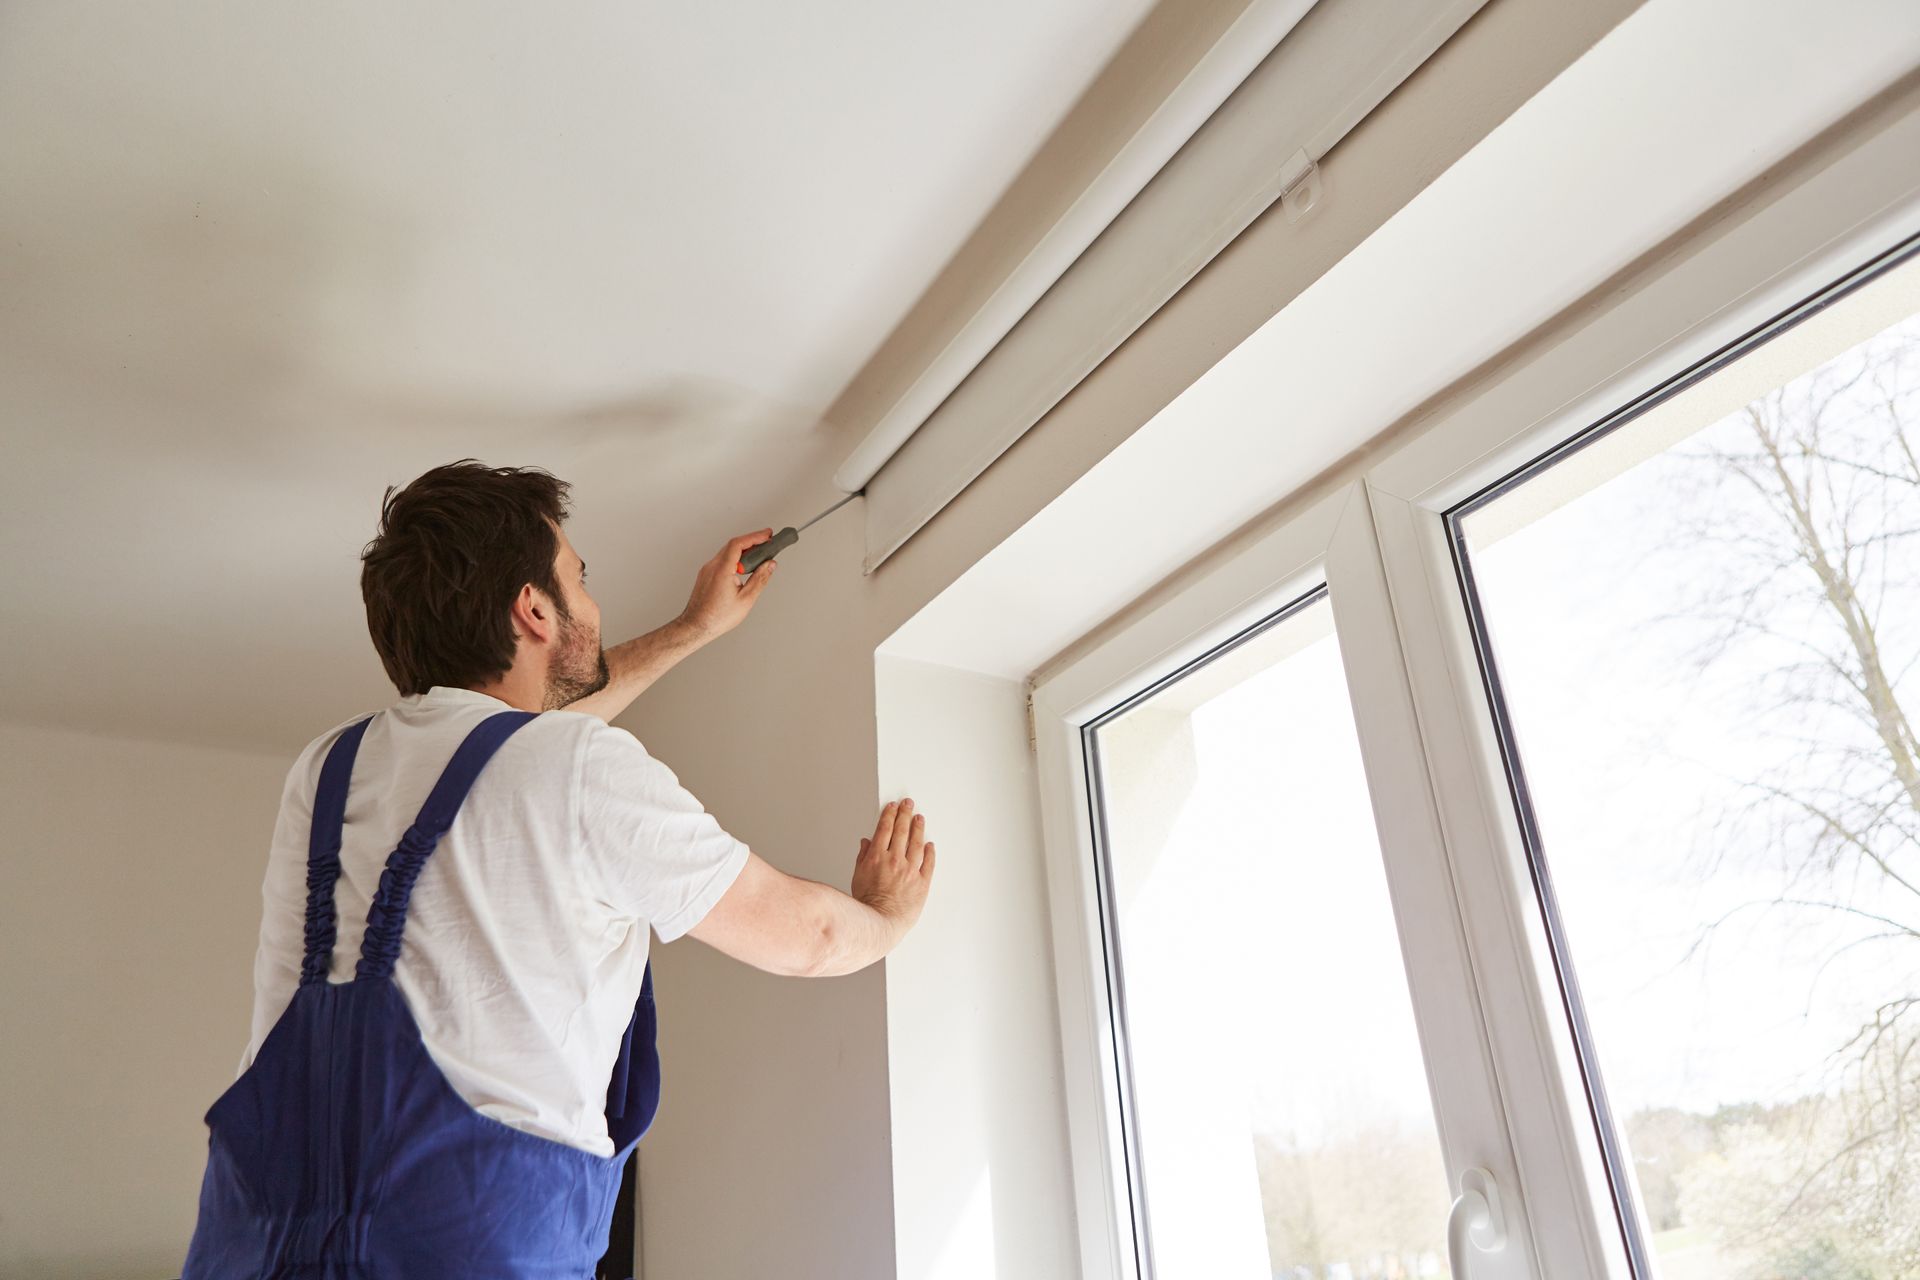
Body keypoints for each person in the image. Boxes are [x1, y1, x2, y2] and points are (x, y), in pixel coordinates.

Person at [181, 459, 935, 1278]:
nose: (592, 600)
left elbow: (508, 753)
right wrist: (890, 914)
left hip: (253, 1249)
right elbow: (813, 937)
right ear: (533, 609)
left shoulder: (326, 768)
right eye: (580, 577)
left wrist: (694, 628)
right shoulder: (577, 767)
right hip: (476, 1245)